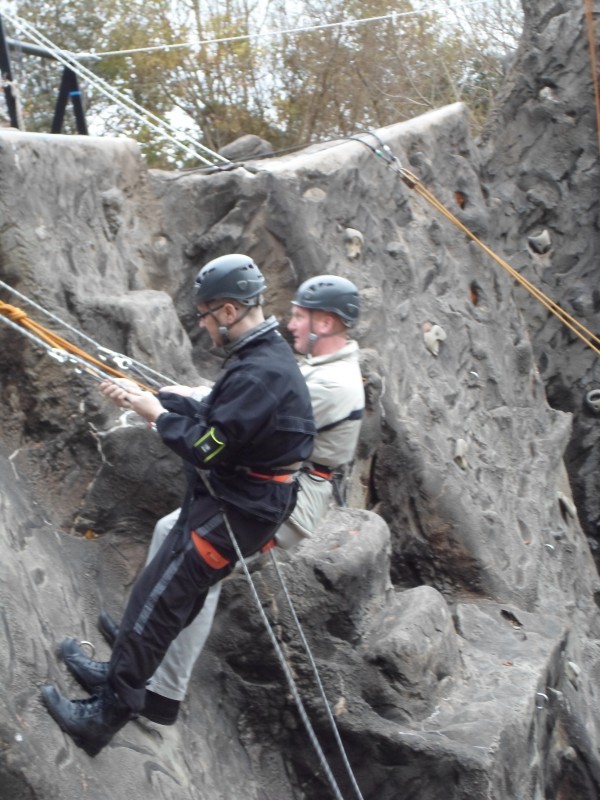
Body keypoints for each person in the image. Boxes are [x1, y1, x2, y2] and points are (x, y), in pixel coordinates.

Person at [57, 274, 365, 728]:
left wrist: (160, 414)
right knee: (174, 564)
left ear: (327, 322)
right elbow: (242, 406)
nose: (291, 322)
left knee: (184, 583)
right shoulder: (296, 361)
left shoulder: (330, 383)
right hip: (260, 488)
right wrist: (177, 400)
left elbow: (240, 422)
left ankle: (151, 683)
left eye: (301, 315)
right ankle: (137, 663)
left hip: (279, 496)